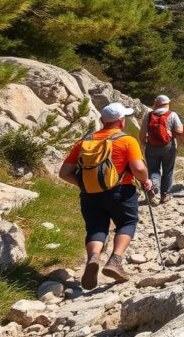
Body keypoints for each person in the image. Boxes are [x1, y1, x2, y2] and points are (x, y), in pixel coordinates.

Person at [58, 102, 152, 290]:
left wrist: (85, 185)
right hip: (121, 191)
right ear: (121, 121)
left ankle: (93, 257)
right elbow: (139, 168)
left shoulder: (84, 142)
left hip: (90, 195)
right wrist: (145, 181)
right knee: (127, 223)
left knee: (96, 227)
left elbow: (64, 173)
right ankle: (115, 260)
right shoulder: (127, 140)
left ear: (102, 120)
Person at [139, 94, 184, 205]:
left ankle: (153, 189)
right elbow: (179, 131)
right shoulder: (172, 115)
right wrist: (172, 134)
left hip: (151, 146)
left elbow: (142, 133)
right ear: (167, 104)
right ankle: (165, 195)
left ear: (156, 104)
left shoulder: (149, 115)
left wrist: (143, 143)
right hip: (168, 146)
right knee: (168, 171)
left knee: (153, 170)